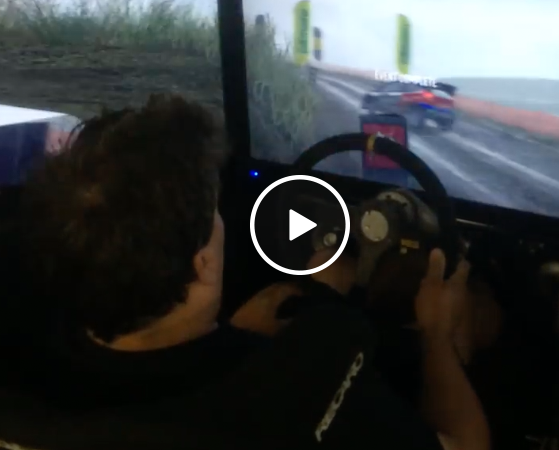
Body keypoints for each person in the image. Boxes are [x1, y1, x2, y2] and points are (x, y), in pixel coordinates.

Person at [16, 94, 491, 450]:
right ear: (202, 262)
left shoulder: (28, 362)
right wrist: (436, 333)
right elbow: (467, 445)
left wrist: (238, 339)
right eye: (214, 211)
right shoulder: (306, 382)